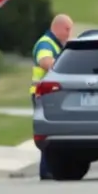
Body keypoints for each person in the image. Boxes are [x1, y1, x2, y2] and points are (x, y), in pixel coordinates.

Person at [30, 14, 73, 180]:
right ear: (58, 27)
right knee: (48, 134)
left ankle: (50, 170)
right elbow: (45, 62)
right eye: (67, 29)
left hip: (51, 94)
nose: (69, 33)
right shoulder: (46, 43)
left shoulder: (57, 44)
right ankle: (47, 170)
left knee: (52, 132)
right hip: (43, 94)